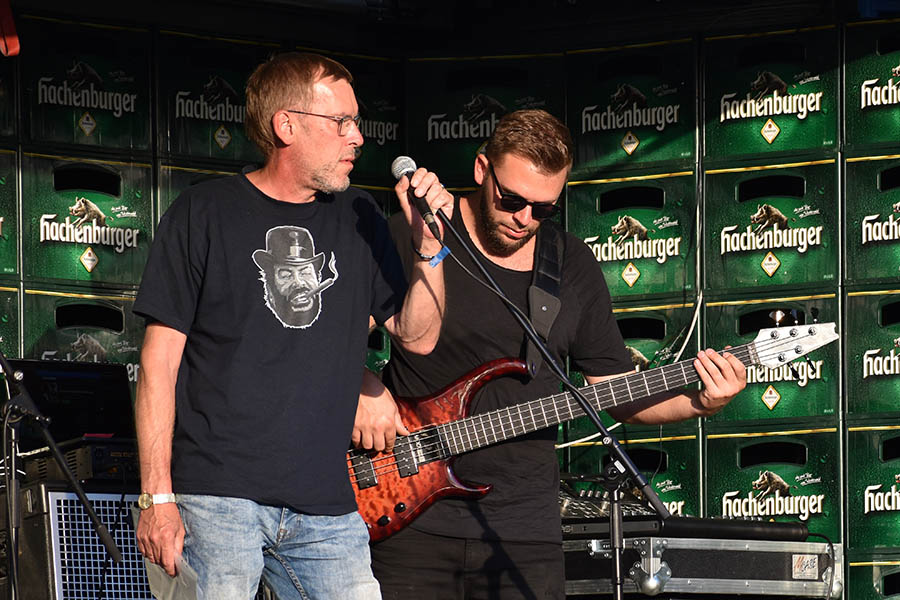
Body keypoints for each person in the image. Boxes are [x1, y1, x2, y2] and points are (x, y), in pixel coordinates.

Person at [360, 109, 747, 599]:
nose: (525, 219)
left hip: (521, 531)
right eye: (513, 200)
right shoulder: (412, 231)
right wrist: (361, 386)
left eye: (543, 208)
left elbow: (614, 393)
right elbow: (322, 339)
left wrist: (702, 402)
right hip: (405, 515)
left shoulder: (570, 264)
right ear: (482, 171)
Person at [132, 51, 453, 600]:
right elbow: (157, 361)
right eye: (342, 123)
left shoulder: (359, 217)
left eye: (357, 122)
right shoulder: (204, 211)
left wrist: (430, 251)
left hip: (327, 502)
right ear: (286, 125)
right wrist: (157, 499)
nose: (357, 138)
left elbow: (418, 335)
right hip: (217, 496)